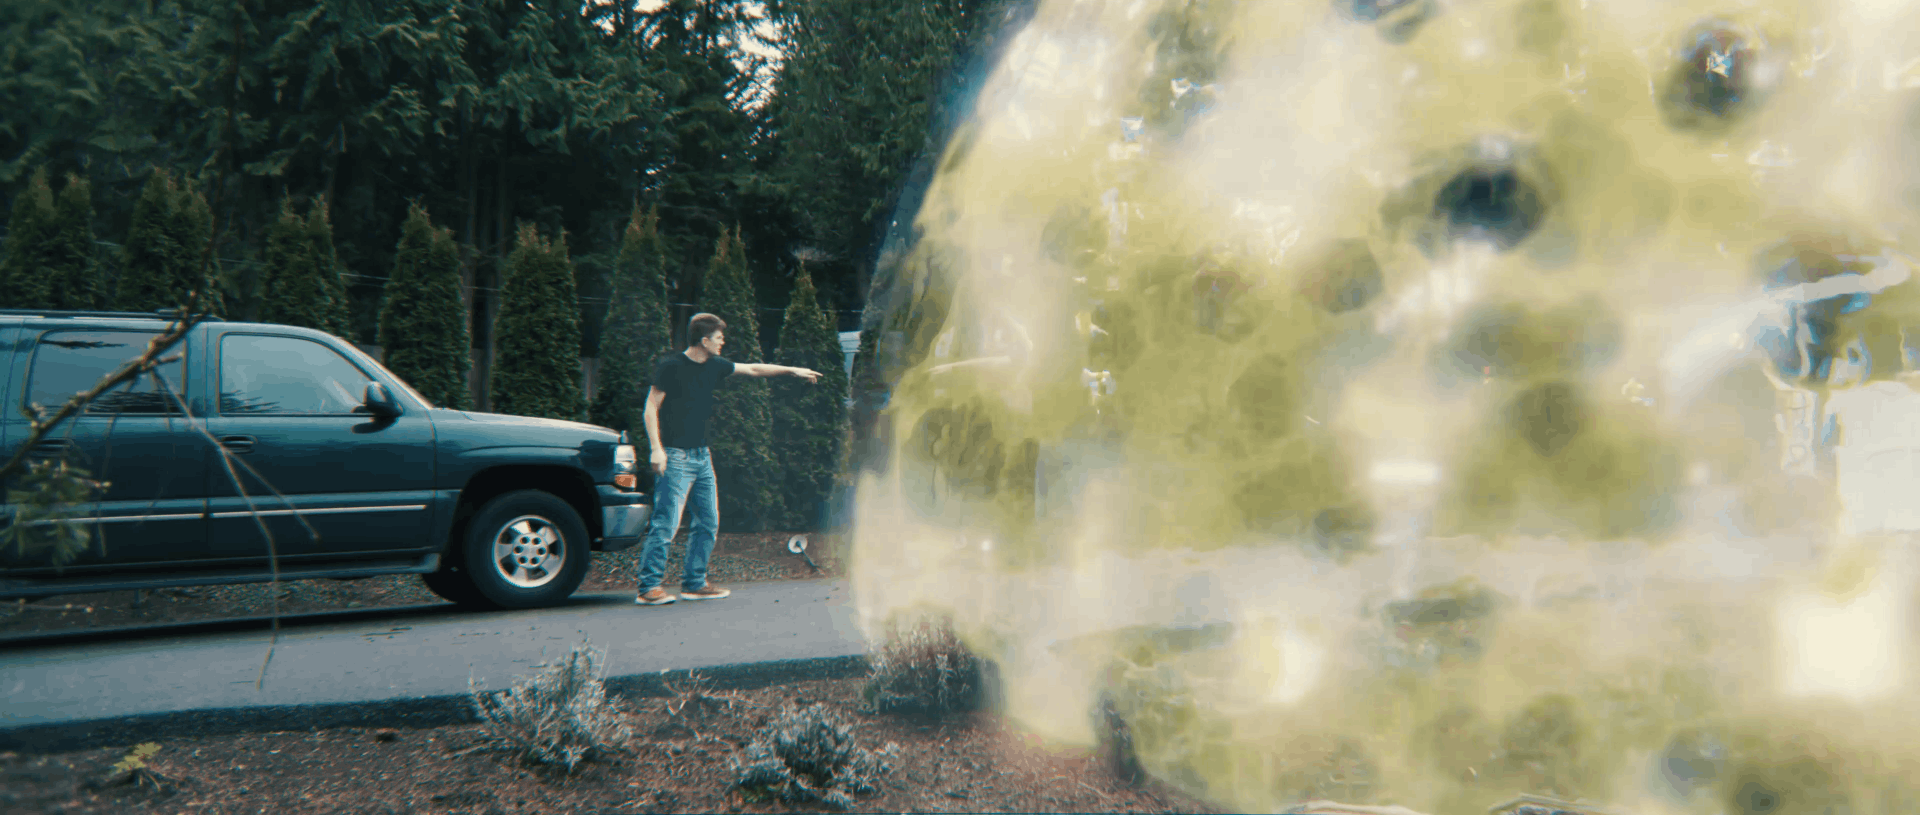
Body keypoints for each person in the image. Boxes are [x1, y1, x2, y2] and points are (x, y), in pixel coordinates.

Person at [634, 313, 822, 605]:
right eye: (719, 337)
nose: (723, 342)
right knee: (666, 524)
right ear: (704, 340)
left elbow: (754, 370)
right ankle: (649, 588)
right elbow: (650, 406)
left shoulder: (715, 365)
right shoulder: (671, 367)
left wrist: (792, 370)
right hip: (675, 456)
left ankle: (694, 583)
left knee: (708, 521)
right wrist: (656, 448)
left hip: (701, 456)